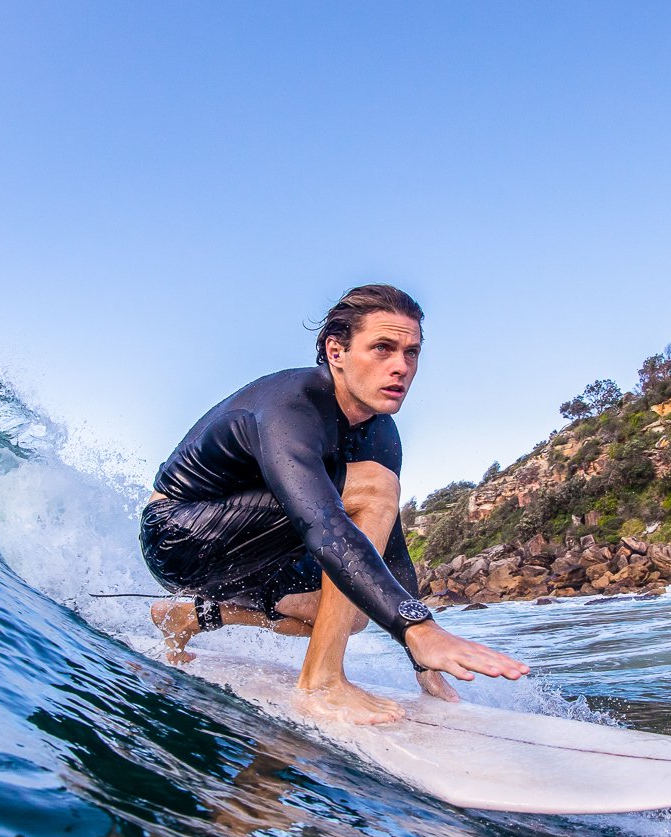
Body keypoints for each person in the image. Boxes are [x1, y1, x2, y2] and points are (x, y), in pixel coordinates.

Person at [139, 284, 529, 725]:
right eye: (382, 348)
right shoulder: (292, 406)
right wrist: (417, 626)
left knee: (349, 611)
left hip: (258, 547)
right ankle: (322, 682)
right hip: (181, 535)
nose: (400, 367)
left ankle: (188, 616)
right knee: (374, 490)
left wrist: (422, 661)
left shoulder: (380, 432)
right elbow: (324, 525)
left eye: (412, 352)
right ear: (336, 351)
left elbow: (391, 545)